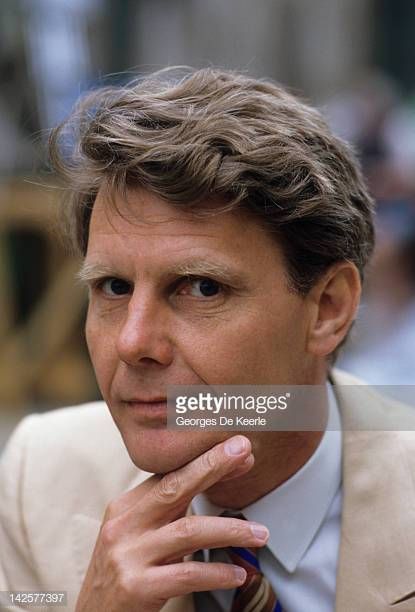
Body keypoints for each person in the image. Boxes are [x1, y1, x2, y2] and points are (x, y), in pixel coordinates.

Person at [1, 67, 415, 612]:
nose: (133, 341)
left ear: (328, 309)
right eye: (114, 286)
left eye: (201, 287)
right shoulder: (41, 475)